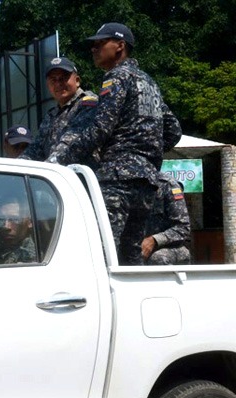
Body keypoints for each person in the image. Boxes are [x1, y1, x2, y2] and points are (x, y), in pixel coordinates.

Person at [47, 22, 182, 265]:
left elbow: (100, 128)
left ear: (120, 46)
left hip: (117, 178)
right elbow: (173, 130)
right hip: (147, 182)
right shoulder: (149, 82)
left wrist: (59, 162)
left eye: (100, 43)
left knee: (98, 249)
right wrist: (145, 154)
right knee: (130, 253)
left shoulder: (116, 77)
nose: (94, 49)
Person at [20, 56, 99, 166]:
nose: (58, 83)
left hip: (79, 179)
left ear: (77, 81)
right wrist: (18, 166)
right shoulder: (51, 115)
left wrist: (47, 170)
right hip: (56, 177)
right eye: (53, 79)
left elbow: (69, 144)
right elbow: (35, 149)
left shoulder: (88, 105)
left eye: (63, 78)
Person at [142, 175, 192, 265]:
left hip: (170, 247)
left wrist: (154, 240)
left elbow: (183, 228)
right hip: (138, 246)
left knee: (158, 258)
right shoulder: (129, 186)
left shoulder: (168, 185)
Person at [0, 196, 37, 264]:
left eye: (14, 219)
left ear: (30, 222)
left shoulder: (32, 258)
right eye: (1, 219)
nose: (6, 226)